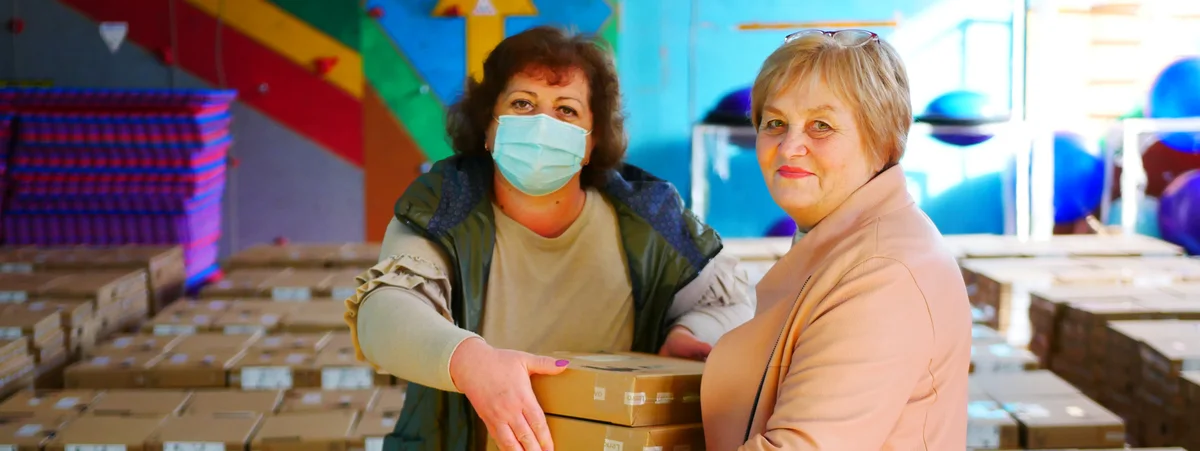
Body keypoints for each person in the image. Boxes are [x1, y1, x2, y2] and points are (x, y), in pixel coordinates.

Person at [343, 26, 753, 451]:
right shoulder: (445, 204)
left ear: (592, 141)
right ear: (489, 128)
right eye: (523, 104)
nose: (542, 124)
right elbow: (384, 312)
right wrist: (468, 361)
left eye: (567, 111)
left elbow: (732, 300)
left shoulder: (648, 214)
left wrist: (691, 331)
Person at [700, 29, 971, 450]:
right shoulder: (848, 242)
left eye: (820, 126)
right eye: (774, 123)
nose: (790, 147)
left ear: (882, 140)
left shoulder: (884, 275)